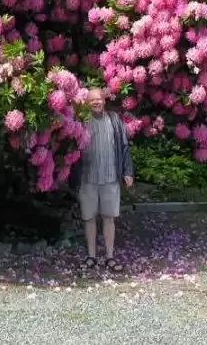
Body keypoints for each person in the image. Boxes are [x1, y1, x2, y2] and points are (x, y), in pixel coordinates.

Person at [72, 87, 134, 273]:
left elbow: (124, 147)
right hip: (88, 179)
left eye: (99, 99)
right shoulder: (81, 122)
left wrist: (127, 172)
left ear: (104, 101)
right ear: (86, 103)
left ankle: (109, 257)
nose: (96, 102)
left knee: (109, 218)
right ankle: (91, 256)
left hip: (110, 178)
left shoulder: (115, 121)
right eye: (92, 100)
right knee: (89, 219)